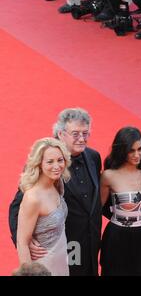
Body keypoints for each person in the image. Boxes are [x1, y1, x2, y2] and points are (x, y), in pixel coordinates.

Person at [9, 108, 103, 276]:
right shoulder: (46, 163)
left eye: (86, 133)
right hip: (61, 248)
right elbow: (18, 207)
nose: (82, 139)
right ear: (61, 133)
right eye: (75, 134)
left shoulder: (94, 157)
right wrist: (25, 241)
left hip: (90, 244)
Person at [100, 127, 141, 275]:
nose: (137, 154)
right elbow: (98, 209)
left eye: (140, 149)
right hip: (117, 237)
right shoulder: (109, 176)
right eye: (131, 151)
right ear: (122, 150)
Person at [17, 138, 72, 276]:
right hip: (43, 266)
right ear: (39, 164)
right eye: (50, 161)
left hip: (62, 261)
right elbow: (22, 242)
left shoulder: (58, 183)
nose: (57, 166)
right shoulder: (32, 197)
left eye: (60, 160)